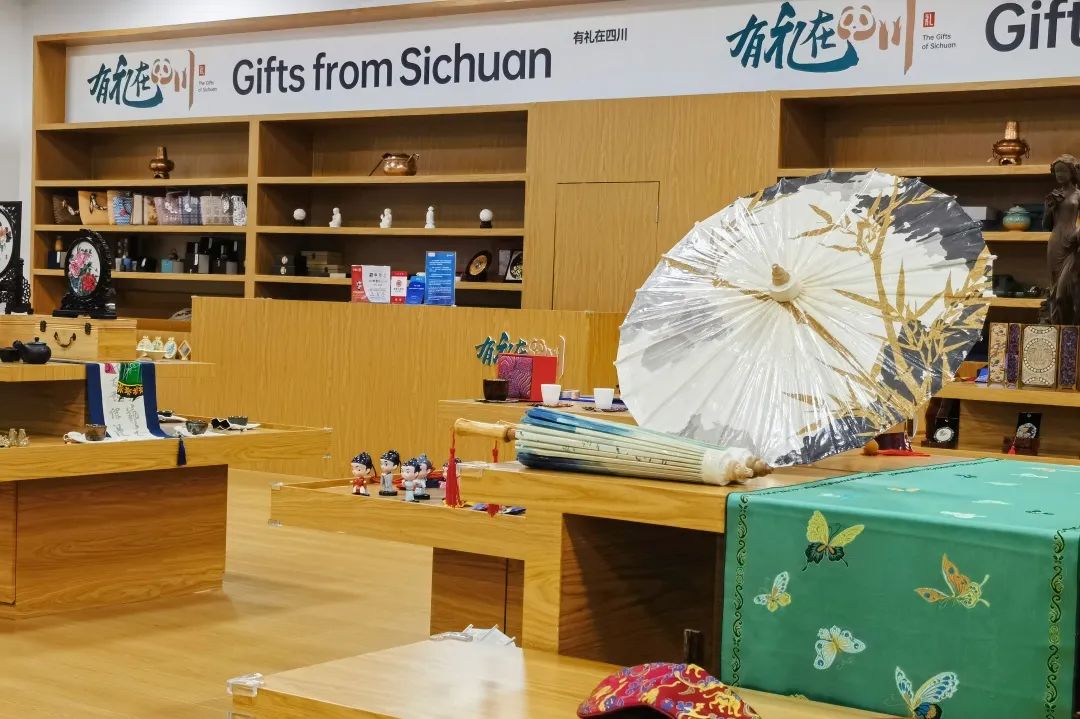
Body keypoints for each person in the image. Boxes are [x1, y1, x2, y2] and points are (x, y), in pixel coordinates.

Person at [1044, 154, 1080, 324]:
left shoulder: (1078, 195)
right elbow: (1046, 225)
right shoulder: (1053, 196)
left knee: (1064, 293)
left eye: (1063, 171)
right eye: (1056, 171)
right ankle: (1057, 329)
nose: (1059, 174)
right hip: (1055, 243)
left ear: (1072, 172)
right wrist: (1050, 208)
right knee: (1054, 290)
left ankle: (1070, 328)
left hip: (1072, 243)